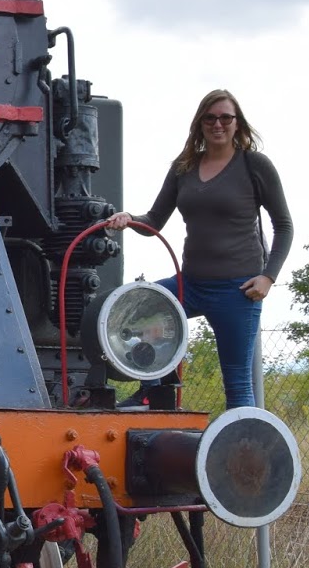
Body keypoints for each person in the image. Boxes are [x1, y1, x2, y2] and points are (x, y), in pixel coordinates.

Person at [106, 89, 293, 410]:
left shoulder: (254, 165)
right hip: (190, 285)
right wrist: (129, 219)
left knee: (237, 383)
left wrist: (268, 277)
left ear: (237, 123)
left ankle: (244, 439)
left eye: (225, 118)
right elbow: (154, 220)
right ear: (200, 123)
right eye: (210, 118)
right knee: (135, 307)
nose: (218, 124)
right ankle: (154, 392)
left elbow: (284, 226)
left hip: (238, 290)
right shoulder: (184, 168)